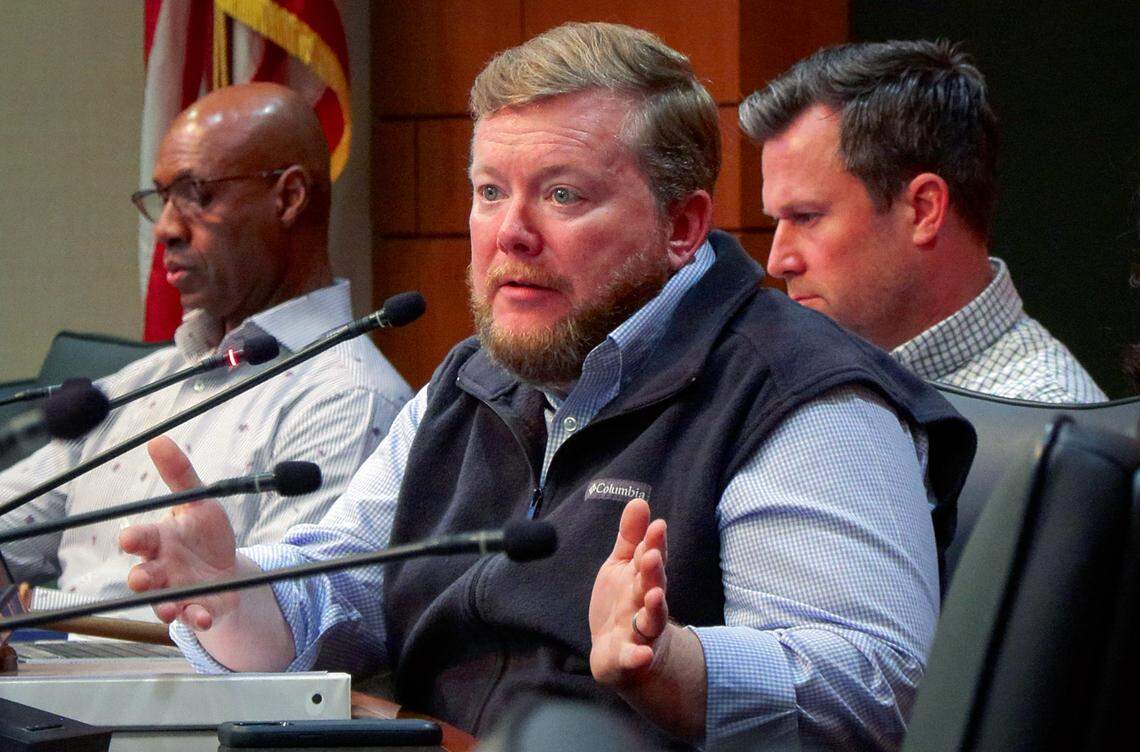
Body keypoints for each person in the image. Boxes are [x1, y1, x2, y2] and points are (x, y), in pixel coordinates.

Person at [122, 24, 974, 751]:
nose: (510, 235)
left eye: (561, 195)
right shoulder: (475, 379)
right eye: (490, 192)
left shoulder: (800, 395)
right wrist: (234, 592)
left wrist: (681, 669)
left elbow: (879, 684)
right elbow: (348, 584)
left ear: (682, 226)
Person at [0, 83, 411, 606]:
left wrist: (31, 609)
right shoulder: (135, 386)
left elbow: (278, 629)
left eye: (196, 195)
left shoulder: (346, 399)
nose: (167, 228)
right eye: (164, 198)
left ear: (288, 198)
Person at [739, 40, 1106, 404]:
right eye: (776, 223)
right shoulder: (816, 381)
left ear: (923, 209)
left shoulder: (1044, 426)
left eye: (806, 217)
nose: (778, 262)